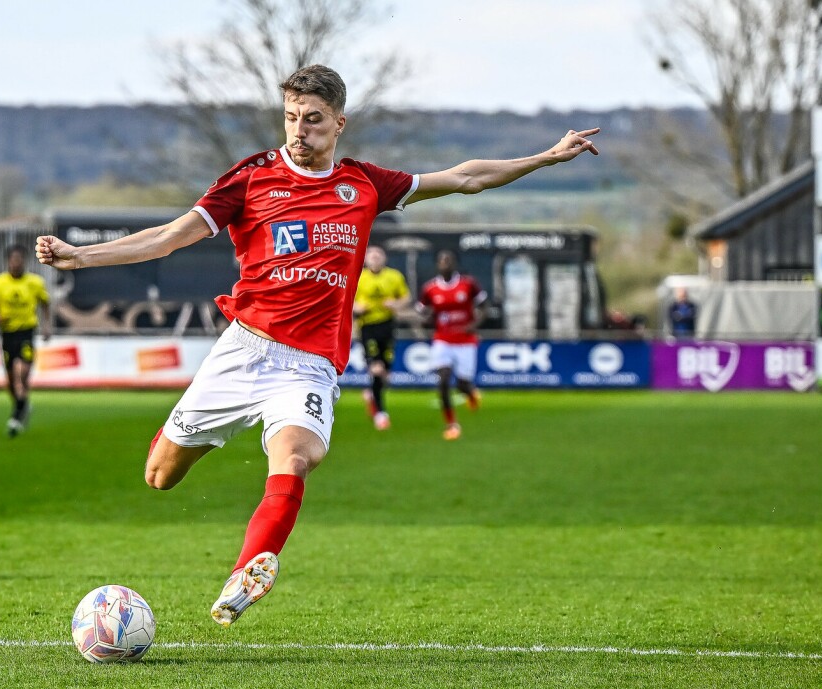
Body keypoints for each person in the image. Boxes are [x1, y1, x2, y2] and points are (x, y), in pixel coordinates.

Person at [35, 64, 600, 626]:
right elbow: (167, 236)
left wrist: (546, 158)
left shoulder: (365, 184)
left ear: (338, 123)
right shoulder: (251, 179)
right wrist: (81, 256)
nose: (298, 131)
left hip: (307, 366)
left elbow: (465, 177)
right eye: (290, 118)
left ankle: (247, 571)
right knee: (160, 475)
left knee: (297, 459)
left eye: (312, 120)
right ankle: (199, 437)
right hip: (243, 350)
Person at [0, 244, 52, 437]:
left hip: (26, 332)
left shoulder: (34, 283)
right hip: (7, 334)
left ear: (24, 261)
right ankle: (23, 405)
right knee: (11, 382)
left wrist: (47, 326)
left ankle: (15, 417)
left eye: (19, 259)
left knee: (20, 372)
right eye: (13, 259)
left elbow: (45, 303)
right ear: (8, 261)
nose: (16, 263)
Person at [419, 250, 486, 441]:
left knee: (463, 385)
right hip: (443, 339)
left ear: (454, 263)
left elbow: (485, 307)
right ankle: (451, 424)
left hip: (465, 341)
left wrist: (474, 324)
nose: (445, 263)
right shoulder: (430, 288)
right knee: (443, 380)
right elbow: (423, 313)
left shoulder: (468, 284)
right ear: (437, 265)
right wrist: (426, 320)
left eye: (448, 260)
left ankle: (470, 393)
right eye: (441, 260)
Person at [353, 245, 411, 430]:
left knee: (386, 372)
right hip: (368, 326)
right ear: (366, 259)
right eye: (372, 256)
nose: (375, 259)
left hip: (387, 325)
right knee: (376, 369)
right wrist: (356, 308)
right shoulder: (358, 277)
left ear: (384, 258)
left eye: (378, 256)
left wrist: (395, 304)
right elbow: (345, 299)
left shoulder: (394, 276)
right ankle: (381, 414)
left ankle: (371, 395)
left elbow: (406, 298)